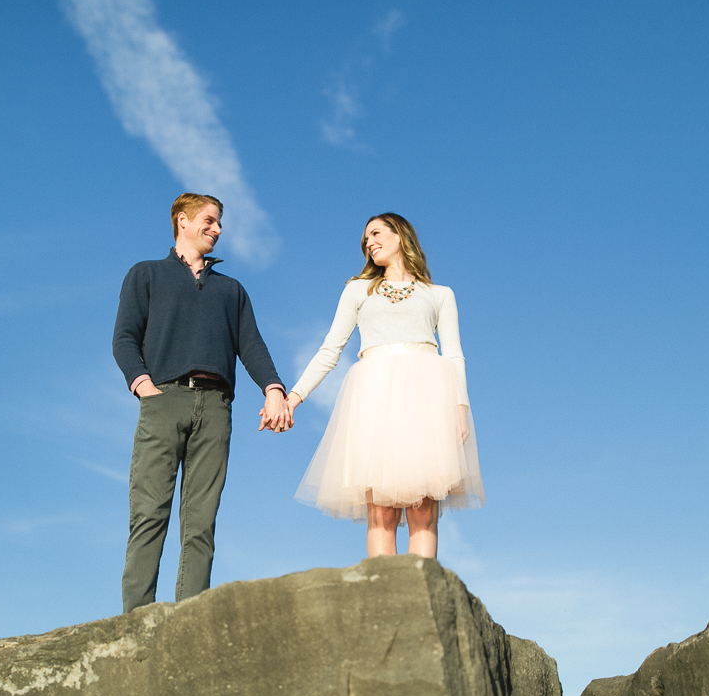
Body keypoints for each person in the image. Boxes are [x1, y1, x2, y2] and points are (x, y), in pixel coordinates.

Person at [113, 193, 292, 613]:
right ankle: (136, 621)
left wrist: (273, 388)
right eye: (210, 220)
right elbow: (124, 338)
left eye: (220, 223)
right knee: (149, 513)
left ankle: (190, 621)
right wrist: (144, 387)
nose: (217, 229)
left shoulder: (231, 290)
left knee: (201, 523)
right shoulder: (147, 274)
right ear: (183, 220)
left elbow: (251, 344)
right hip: (163, 400)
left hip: (215, 408)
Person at [286, 213, 484, 558]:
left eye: (376, 233)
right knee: (381, 511)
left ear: (400, 236)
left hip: (428, 397)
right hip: (374, 397)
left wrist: (461, 408)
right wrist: (294, 397)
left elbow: (454, 354)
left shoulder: (439, 294)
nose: (369, 242)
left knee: (424, 508)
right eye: (366, 239)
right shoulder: (357, 290)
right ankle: (385, 600)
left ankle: (422, 600)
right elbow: (330, 350)